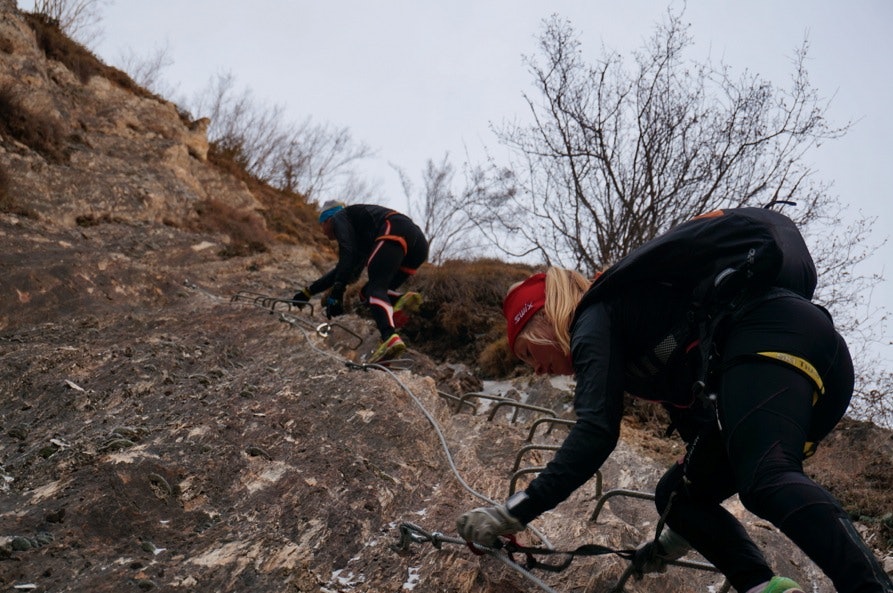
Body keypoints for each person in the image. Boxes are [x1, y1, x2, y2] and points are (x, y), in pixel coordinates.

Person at [456, 264, 893, 592]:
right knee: (676, 494)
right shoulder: (637, 338)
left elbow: (595, 433)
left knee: (766, 479)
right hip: (810, 365)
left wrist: (513, 511)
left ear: (544, 318)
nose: (533, 370)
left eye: (527, 352)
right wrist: (677, 534)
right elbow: (705, 436)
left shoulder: (593, 320)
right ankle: (765, 588)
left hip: (772, 337)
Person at [292, 201, 428, 364]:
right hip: (418, 244)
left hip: (394, 228)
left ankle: (389, 339)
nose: (323, 231)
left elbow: (346, 254)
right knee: (367, 293)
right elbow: (344, 270)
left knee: (375, 290)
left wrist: (337, 292)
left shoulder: (339, 217)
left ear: (328, 219)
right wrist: (308, 292)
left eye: (321, 224)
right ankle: (401, 300)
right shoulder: (362, 237)